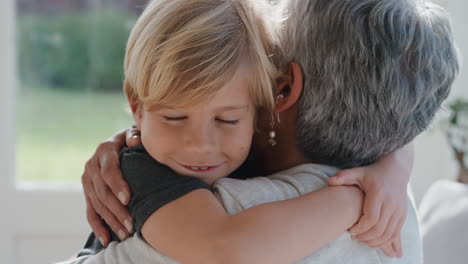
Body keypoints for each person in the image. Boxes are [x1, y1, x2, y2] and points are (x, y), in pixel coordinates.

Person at [72, 0, 459, 263]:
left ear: (271, 98)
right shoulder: (142, 168)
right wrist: (358, 199)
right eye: (173, 118)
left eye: (227, 120)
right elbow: (224, 249)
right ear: (137, 106)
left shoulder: (250, 142)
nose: (201, 145)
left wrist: (393, 165)